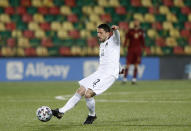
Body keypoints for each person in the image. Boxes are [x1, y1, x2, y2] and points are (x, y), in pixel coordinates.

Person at [51, 24, 121, 124]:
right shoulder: (102, 44)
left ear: (108, 33)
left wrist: (116, 30)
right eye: (97, 32)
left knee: (88, 94)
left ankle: (92, 115)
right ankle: (61, 111)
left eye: (100, 32)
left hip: (108, 75)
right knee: (81, 90)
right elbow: (113, 59)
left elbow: (117, 37)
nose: (98, 35)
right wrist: (120, 68)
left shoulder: (114, 41)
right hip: (99, 73)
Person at [122, 19, 145, 84]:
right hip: (130, 50)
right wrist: (124, 46)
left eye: (137, 22)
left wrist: (144, 48)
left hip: (138, 51)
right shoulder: (130, 31)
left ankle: (134, 79)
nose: (136, 23)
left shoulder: (141, 31)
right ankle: (124, 79)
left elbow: (142, 41)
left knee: (136, 65)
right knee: (127, 65)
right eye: (135, 22)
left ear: (139, 23)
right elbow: (126, 39)